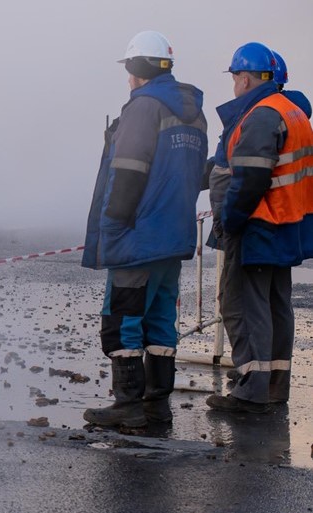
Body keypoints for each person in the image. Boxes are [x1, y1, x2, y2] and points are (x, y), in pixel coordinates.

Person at [81, 31, 208, 427]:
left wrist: (114, 225)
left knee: (123, 317)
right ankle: (156, 401)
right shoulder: (194, 114)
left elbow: (129, 171)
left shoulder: (143, 108)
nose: (128, 78)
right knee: (159, 317)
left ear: (137, 69)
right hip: (174, 234)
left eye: (129, 70)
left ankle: (128, 406)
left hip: (138, 235)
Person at [205, 42, 313, 413]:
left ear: (245, 78)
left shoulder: (262, 114)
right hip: (286, 224)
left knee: (243, 306)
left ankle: (252, 390)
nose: (234, 85)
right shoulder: (291, 112)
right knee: (275, 306)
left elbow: (250, 178)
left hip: (259, 225)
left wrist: (229, 221)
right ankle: (271, 384)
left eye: (235, 77)